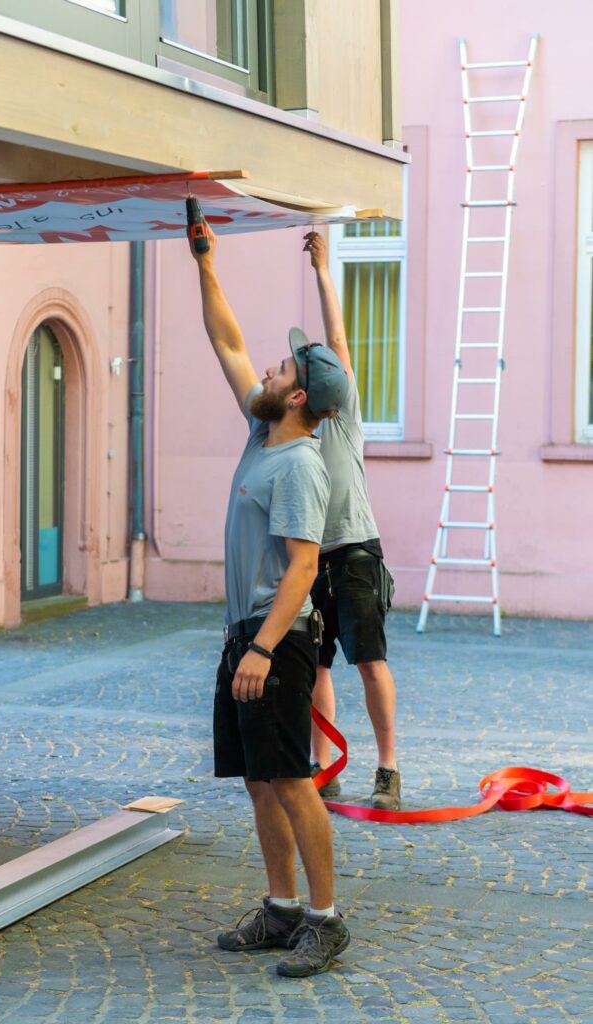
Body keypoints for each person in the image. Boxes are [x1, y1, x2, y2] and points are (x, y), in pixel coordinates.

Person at [189, 227, 350, 978]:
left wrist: (259, 649)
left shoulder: (298, 467)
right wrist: (207, 265)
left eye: (281, 364)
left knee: (291, 778)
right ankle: (282, 908)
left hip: (275, 639)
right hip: (246, 634)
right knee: (260, 779)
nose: (266, 366)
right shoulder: (264, 429)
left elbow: (304, 570)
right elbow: (226, 341)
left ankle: (325, 920)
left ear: (296, 395)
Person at [303, 230, 401, 811]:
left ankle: (387, 769)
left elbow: (338, 337)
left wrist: (321, 268)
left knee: (369, 662)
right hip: (309, 559)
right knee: (316, 663)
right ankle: (325, 763)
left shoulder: (343, 417)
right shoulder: (296, 433)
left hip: (357, 552)